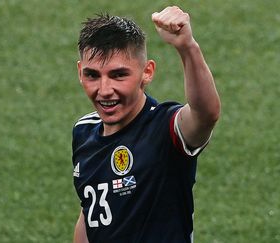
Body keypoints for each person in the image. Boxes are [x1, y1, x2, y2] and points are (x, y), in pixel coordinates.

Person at [72, 5, 220, 243]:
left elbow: (206, 114)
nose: (105, 90)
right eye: (92, 75)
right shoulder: (83, 130)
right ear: (80, 73)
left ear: (147, 72)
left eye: (119, 75)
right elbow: (89, 212)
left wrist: (187, 47)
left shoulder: (165, 128)